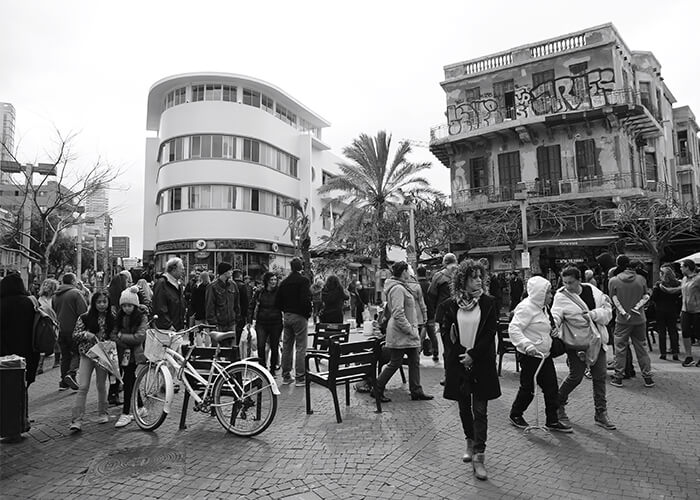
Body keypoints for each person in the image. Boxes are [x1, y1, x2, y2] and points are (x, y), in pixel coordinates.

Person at [435, 259, 500, 481]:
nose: (479, 280)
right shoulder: (449, 306)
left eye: (481, 276)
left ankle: (479, 456)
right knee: (464, 408)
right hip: (459, 364)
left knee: (480, 410)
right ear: (462, 281)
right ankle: (470, 442)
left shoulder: (489, 303)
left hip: (481, 363)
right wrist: (463, 354)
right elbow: (446, 334)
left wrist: (473, 354)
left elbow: (490, 332)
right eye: (474, 277)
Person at [551, 267, 616, 430]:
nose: (567, 286)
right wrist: (555, 324)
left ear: (579, 280)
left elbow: (608, 312)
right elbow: (556, 313)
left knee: (600, 376)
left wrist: (593, 315)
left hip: (596, 339)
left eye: (570, 282)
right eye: (564, 282)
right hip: (576, 341)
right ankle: (557, 404)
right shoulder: (561, 296)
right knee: (576, 376)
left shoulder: (594, 292)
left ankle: (601, 413)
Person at [508, 276, 572, 433]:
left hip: (545, 355)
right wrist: (527, 345)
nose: (551, 296)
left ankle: (552, 420)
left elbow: (544, 326)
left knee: (551, 388)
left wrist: (553, 331)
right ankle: (515, 414)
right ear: (539, 294)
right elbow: (514, 329)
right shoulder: (525, 308)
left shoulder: (544, 308)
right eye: (548, 293)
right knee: (528, 388)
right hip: (530, 356)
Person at [373, 261, 433, 403]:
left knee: (414, 360)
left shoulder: (403, 287)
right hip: (401, 332)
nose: (410, 273)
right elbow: (398, 313)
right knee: (395, 362)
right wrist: (410, 330)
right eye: (408, 270)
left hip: (406, 332)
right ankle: (377, 387)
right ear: (404, 271)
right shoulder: (397, 289)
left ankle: (416, 390)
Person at [69, 290, 116, 432]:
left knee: (101, 385)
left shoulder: (112, 318)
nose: (102, 305)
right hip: (87, 355)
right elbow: (75, 334)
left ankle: (103, 412)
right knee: (83, 386)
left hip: (103, 356)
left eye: (104, 302)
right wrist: (86, 334)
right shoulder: (84, 318)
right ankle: (76, 420)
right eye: (99, 302)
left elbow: (116, 335)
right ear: (93, 303)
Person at [0, 273, 39, 441]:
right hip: (27, 353)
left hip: (4, 355)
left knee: (6, 392)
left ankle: (11, 427)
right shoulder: (29, 302)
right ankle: (22, 420)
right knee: (22, 388)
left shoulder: (1, 304)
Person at [609, 258, 654, 387]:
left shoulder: (614, 281)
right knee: (641, 348)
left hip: (622, 320)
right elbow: (646, 296)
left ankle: (618, 377)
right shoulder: (641, 280)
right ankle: (647, 376)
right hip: (639, 319)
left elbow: (613, 299)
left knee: (620, 349)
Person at [113, 286, 148, 428]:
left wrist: (123, 337)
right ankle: (140, 406)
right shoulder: (119, 317)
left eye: (130, 305)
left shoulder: (141, 317)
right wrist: (124, 340)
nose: (127, 308)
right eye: (124, 305)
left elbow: (139, 336)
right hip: (123, 354)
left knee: (128, 381)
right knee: (131, 379)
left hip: (134, 354)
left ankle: (126, 412)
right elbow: (114, 334)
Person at [275, 257, 312, 387]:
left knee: (287, 346)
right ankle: (300, 377)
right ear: (300, 266)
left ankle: (286, 376)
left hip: (287, 316)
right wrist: (307, 314)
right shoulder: (303, 281)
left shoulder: (284, 282)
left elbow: (277, 301)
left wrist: (285, 310)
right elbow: (305, 299)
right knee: (301, 347)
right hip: (299, 316)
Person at [53, 273, 88, 391]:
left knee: (65, 355)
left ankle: (63, 382)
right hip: (74, 329)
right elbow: (83, 312)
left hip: (60, 329)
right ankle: (71, 374)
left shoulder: (56, 295)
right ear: (73, 281)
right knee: (77, 353)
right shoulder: (76, 293)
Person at [428, 253, 459, 384]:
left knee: (447, 345)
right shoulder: (461, 273)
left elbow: (431, 293)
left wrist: (437, 308)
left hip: (445, 314)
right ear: (455, 261)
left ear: (444, 262)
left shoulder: (438, 276)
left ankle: (448, 375)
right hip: (462, 311)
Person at [250, 271, 283, 374]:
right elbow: (252, 305)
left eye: (275, 280)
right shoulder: (260, 292)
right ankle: (262, 367)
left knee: (274, 345)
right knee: (261, 345)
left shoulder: (279, 292)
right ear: (267, 281)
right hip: (262, 322)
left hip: (275, 322)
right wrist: (249, 320)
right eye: (271, 280)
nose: (273, 282)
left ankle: (272, 368)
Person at [205, 262, 241, 346]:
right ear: (225, 272)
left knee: (232, 350)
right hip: (218, 324)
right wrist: (213, 323)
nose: (231, 272)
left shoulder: (233, 285)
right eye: (230, 270)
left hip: (231, 322)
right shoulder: (212, 287)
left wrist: (237, 317)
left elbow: (237, 303)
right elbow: (209, 306)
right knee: (218, 350)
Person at [651, 265, 681, 361]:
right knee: (673, 331)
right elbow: (679, 298)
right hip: (672, 310)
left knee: (662, 332)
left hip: (660, 310)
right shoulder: (677, 284)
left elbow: (654, 298)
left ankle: (663, 353)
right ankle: (675, 352)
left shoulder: (659, 285)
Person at [152, 257, 186, 332]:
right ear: (174, 270)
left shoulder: (178, 284)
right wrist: (168, 325)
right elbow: (160, 306)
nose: (183, 271)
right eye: (181, 269)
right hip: (166, 330)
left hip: (176, 328)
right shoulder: (162, 284)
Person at [678, 259, 700, 367]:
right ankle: (688, 356)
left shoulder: (698, 279)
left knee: (698, 334)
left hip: (697, 310)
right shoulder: (684, 279)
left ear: (687, 267)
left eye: (682, 266)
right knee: (685, 333)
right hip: (685, 309)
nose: (680, 268)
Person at [36, 278, 60, 374]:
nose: (45, 286)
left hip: (54, 322)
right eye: (44, 284)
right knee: (42, 342)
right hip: (44, 322)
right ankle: (40, 365)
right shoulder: (40, 298)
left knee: (56, 342)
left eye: (48, 284)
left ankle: (57, 361)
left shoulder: (55, 298)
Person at [417, 266, 439, 362]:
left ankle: (417, 353)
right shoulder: (430, 285)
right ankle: (435, 353)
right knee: (432, 334)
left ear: (417, 274)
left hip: (419, 315)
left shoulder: (416, 286)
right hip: (430, 313)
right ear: (425, 273)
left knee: (419, 335)